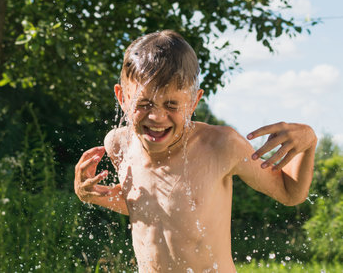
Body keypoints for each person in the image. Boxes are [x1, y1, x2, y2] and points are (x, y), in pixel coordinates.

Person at [74, 30, 317, 272]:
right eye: (144, 104)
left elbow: (289, 194)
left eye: (171, 104)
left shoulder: (221, 146)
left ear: (193, 102)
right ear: (123, 98)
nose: (157, 116)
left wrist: (308, 142)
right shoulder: (119, 145)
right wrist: (94, 194)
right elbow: (150, 208)